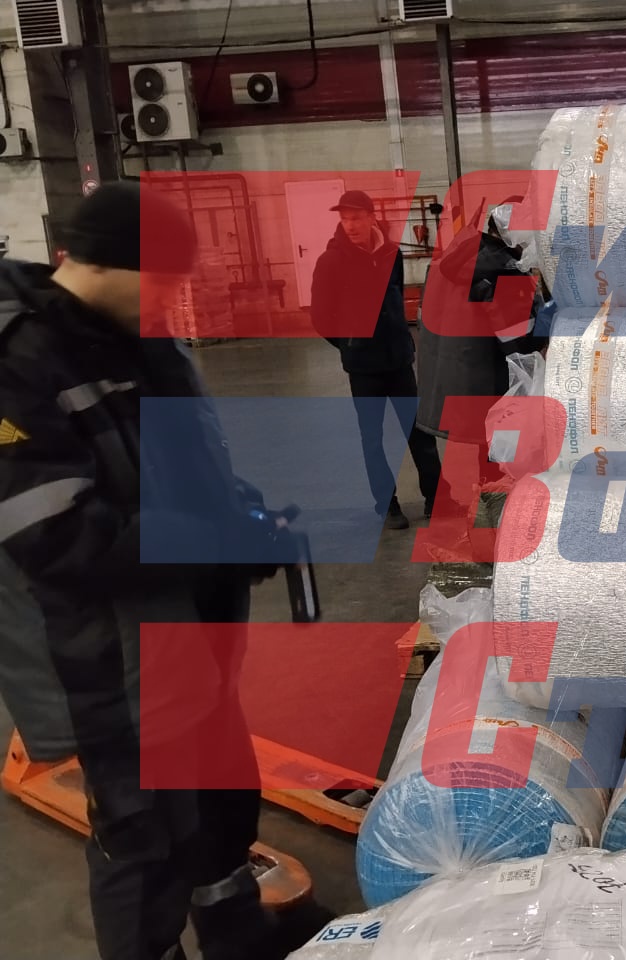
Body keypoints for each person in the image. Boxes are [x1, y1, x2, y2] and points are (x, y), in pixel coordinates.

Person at [0, 180, 315, 960]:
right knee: (143, 837)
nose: (173, 297)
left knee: (220, 804)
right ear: (104, 262)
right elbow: (53, 532)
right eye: (163, 278)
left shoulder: (144, 337)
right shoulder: (21, 359)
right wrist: (213, 540)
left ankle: (236, 934)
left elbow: (195, 465)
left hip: (193, 635)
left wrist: (248, 517)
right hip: (114, 659)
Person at [310, 189, 435, 530]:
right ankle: (387, 505)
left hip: (398, 360)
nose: (350, 225)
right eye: (344, 219)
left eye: (356, 218)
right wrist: (349, 344)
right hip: (364, 368)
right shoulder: (331, 261)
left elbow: (395, 294)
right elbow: (320, 316)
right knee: (373, 437)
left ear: (371, 218)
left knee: (418, 430)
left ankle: (436, 497)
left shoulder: (392, 254)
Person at [414, 210, 549, 519]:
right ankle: (501, 523)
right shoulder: (502, 269)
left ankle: (490, 509)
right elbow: (519, 342)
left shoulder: (459, 258)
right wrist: (547, 326)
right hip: (494, 381)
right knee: (501, 456)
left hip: (463, 378)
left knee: (486, 449)